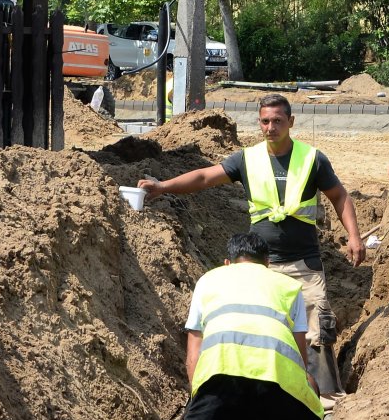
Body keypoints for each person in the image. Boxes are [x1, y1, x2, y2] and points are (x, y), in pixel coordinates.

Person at [137, 94, 364, 359]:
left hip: (304, 264)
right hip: (260, 265)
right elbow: (204, 177)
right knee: (263, 328)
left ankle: (322, 395)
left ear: (290, 121)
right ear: (259, 123)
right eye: (265, 121)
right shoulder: (247, 159)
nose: (271, 127)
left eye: (278, 121)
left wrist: (354, 236)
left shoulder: (312, 159)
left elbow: (339, 196)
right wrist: (163, 187)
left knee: (316, 332)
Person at [182, 231, 326, 420]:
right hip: (277, 381)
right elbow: (299, 356)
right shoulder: (288, 285)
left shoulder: (208, 280)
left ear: (227, 263)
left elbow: (193, 355)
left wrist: (200, 405)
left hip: (217, 381)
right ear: (268, 263)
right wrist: (312, 395)